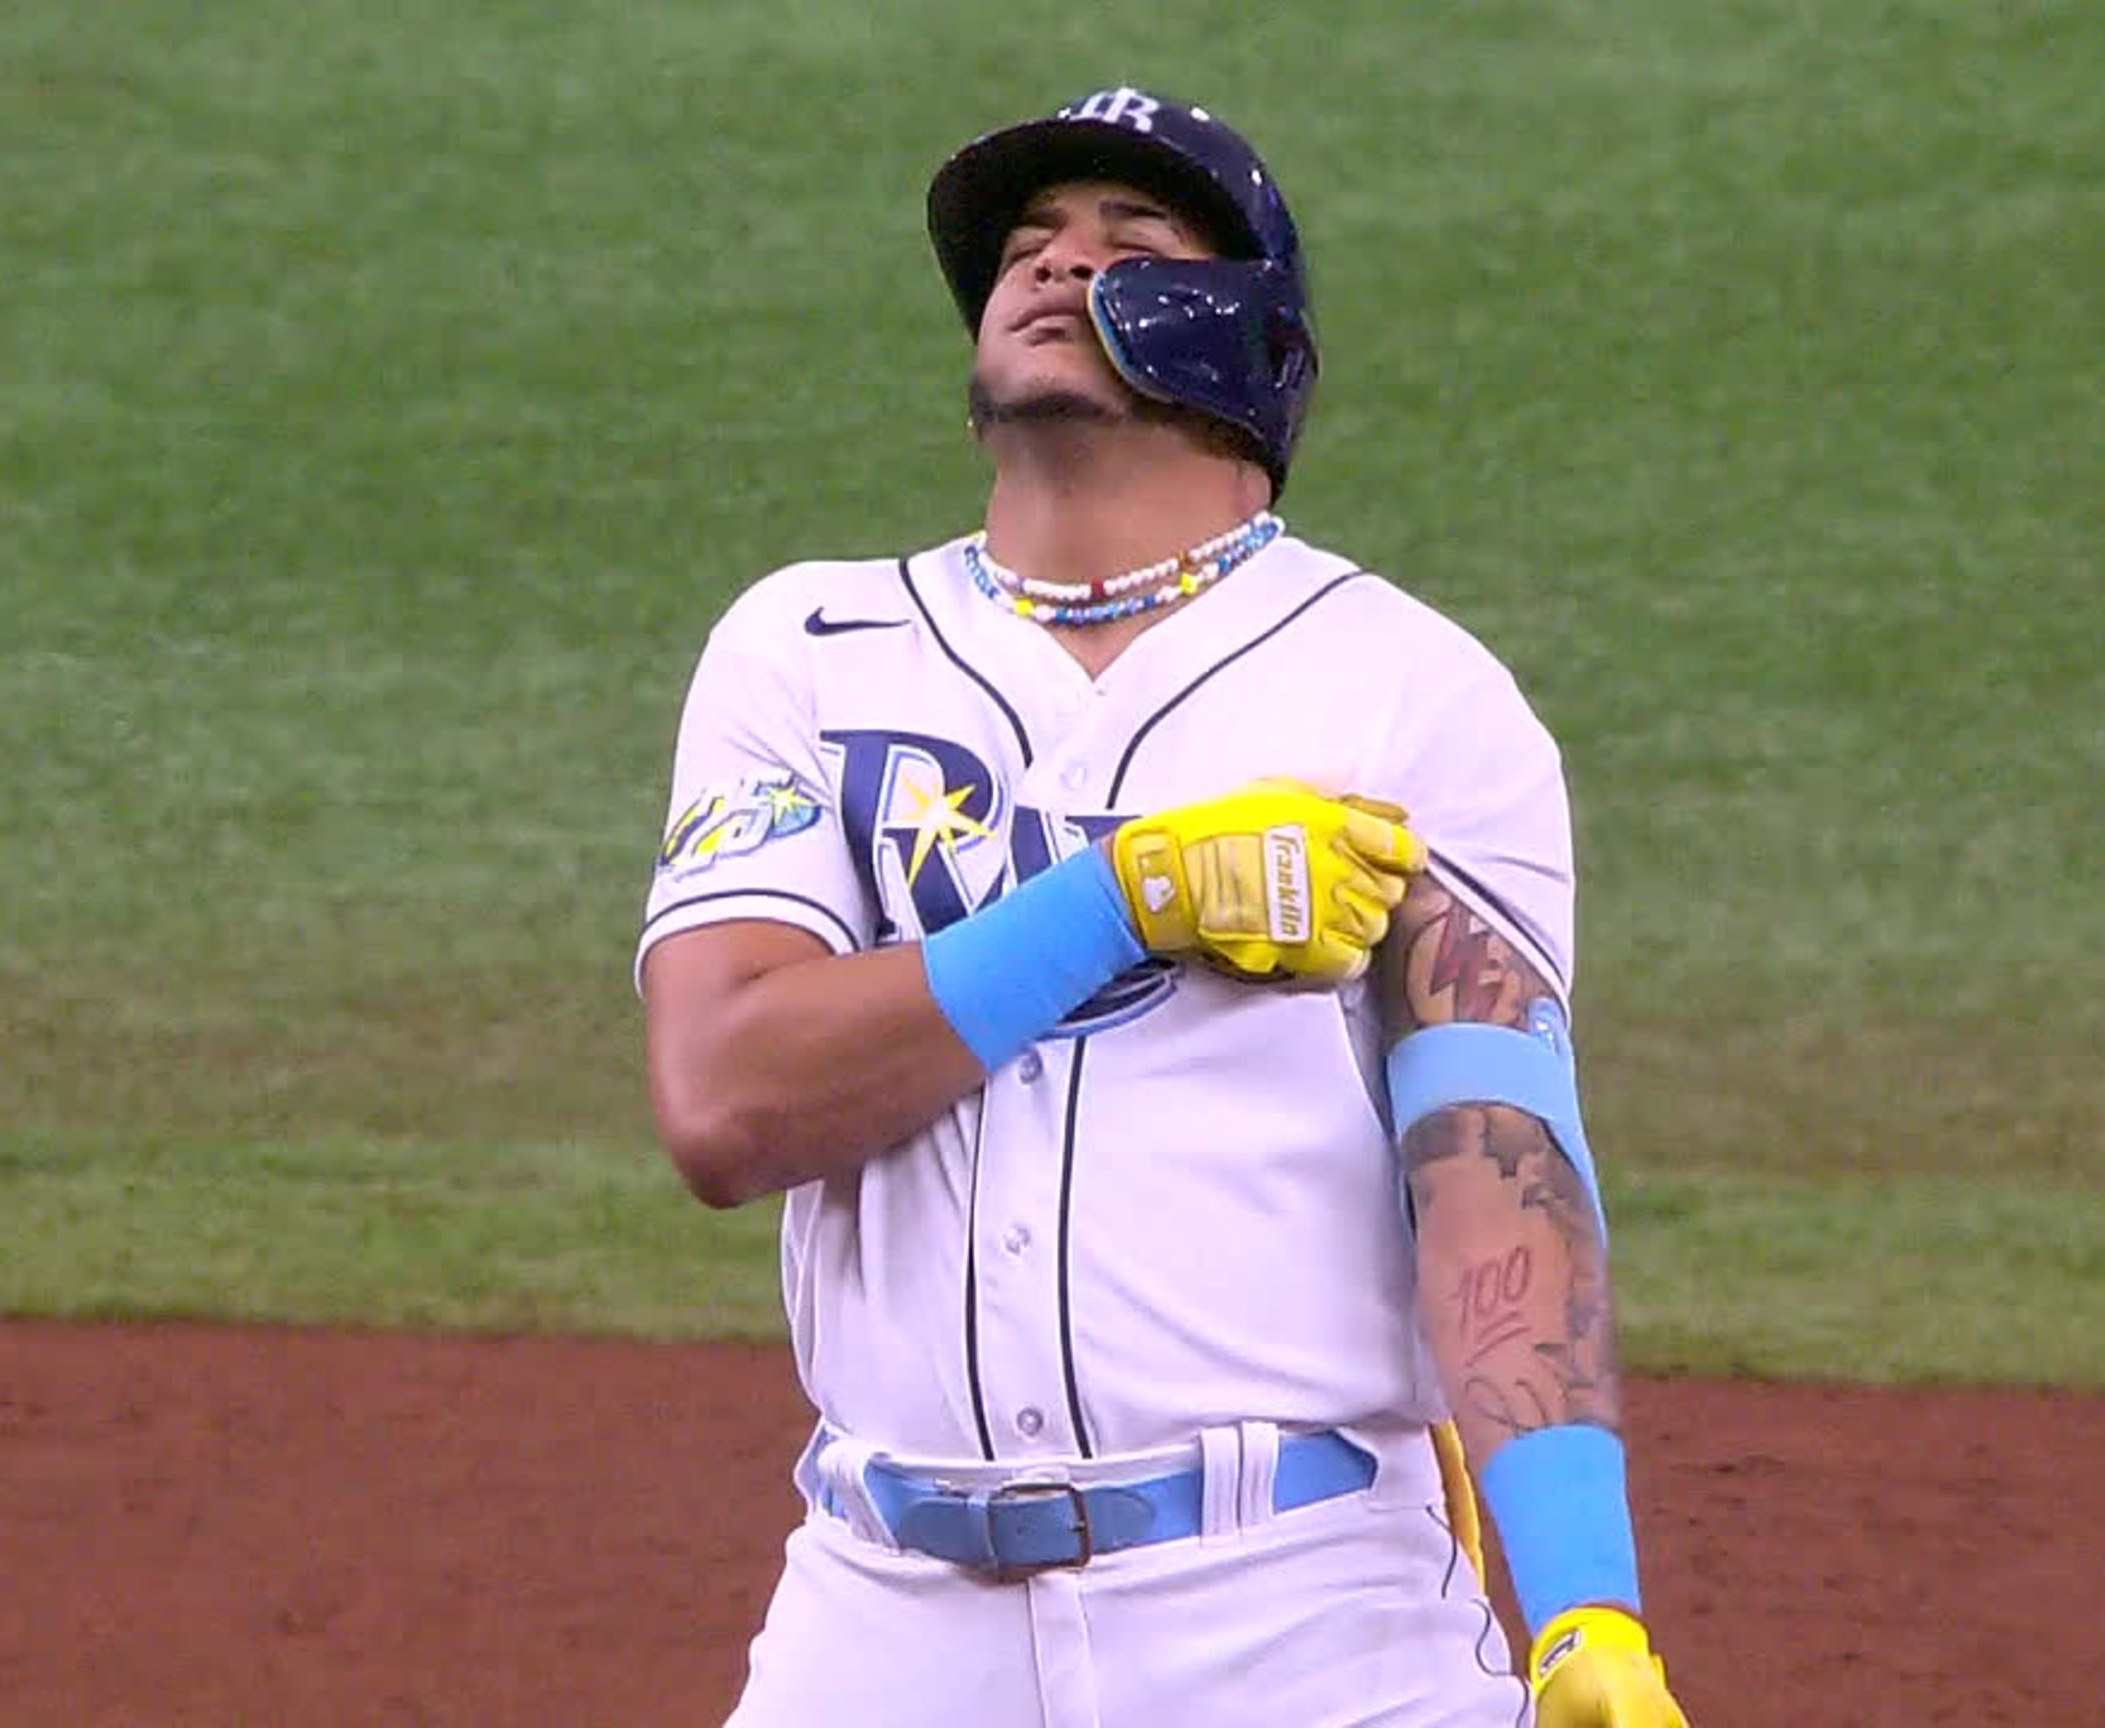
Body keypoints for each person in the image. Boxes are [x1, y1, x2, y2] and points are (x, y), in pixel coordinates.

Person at [637, 85, 1694, 1728]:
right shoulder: (806, 655)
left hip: (1302, 1619)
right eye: (1026, 245)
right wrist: (1120, 899)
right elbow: (725, 1103)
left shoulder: (1407, 692)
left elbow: (1498, 1164)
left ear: (1254, 328)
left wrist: (1584, 1614)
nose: (1051, 268)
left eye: (1132, 244)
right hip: (880, 1621)